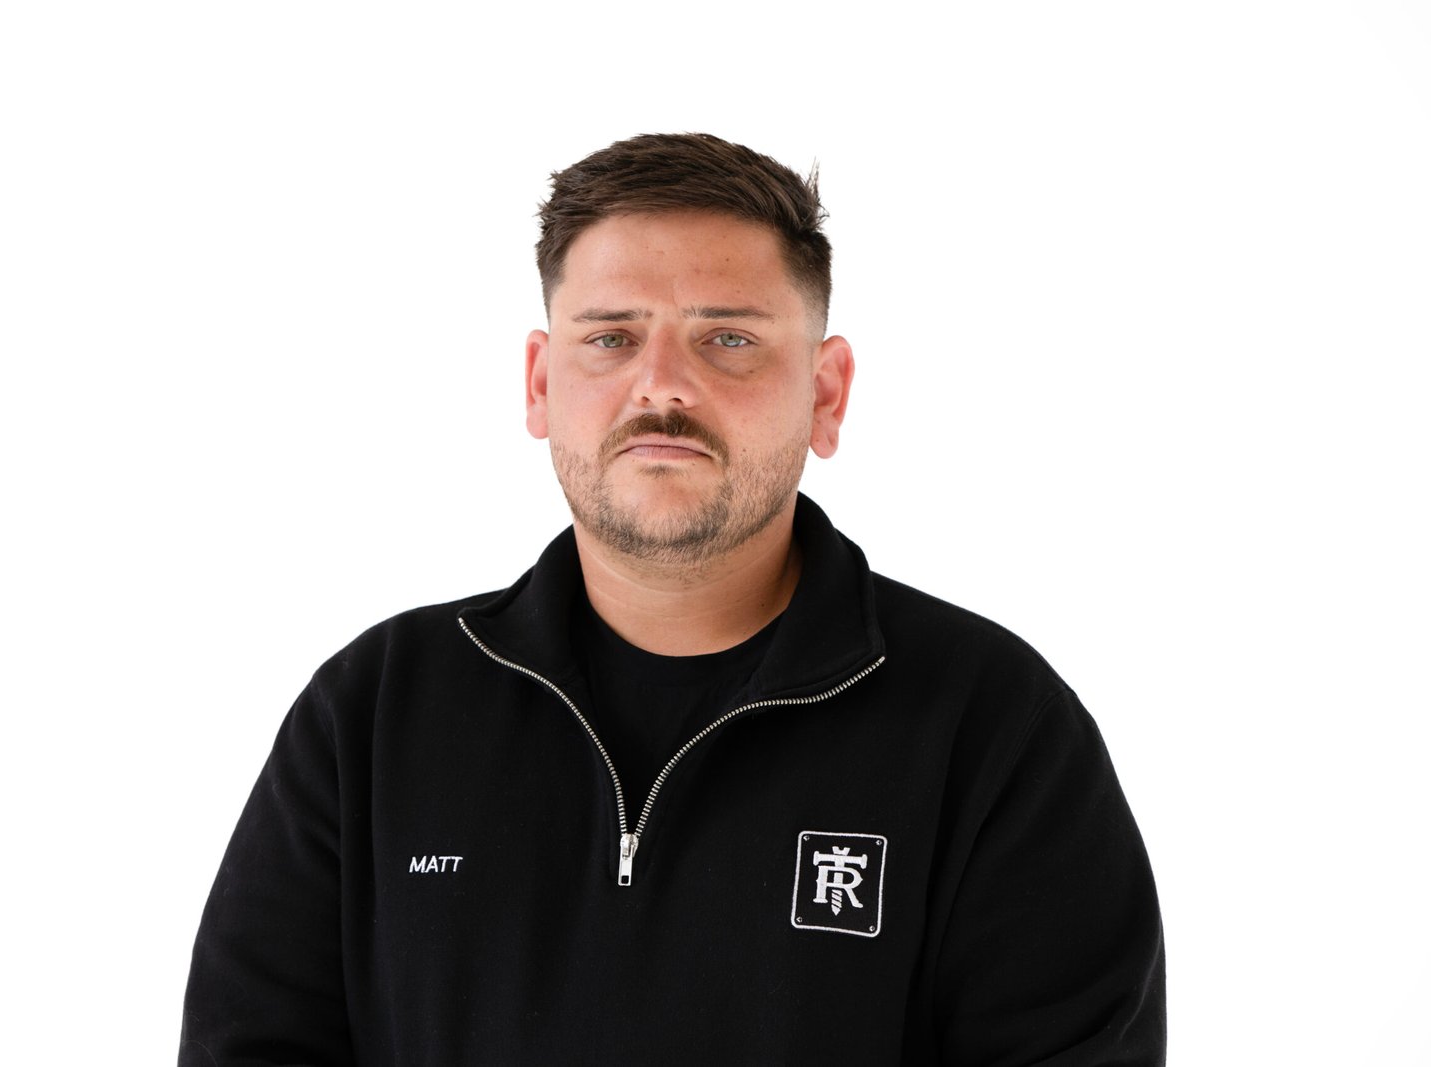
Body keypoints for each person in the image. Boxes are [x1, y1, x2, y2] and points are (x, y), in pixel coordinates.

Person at [180, 132, 1165, 1065]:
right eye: (610, 337)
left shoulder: (992, 730)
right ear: (540, 383)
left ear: (825, 393)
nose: (661, 386)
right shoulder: (374, 714)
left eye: (728, 338)